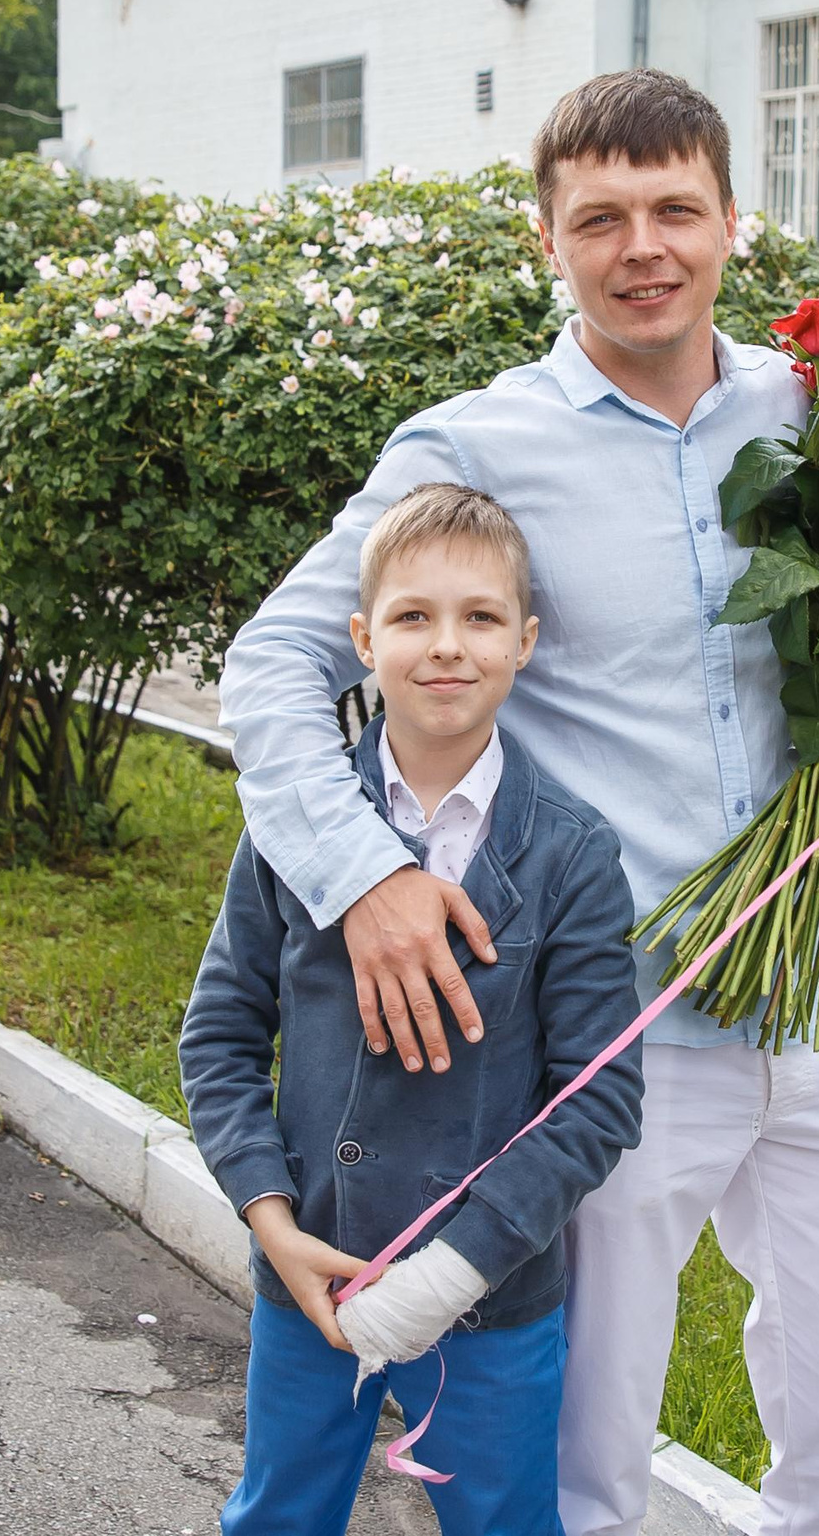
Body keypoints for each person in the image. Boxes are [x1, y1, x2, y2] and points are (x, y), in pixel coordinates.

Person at [218, 68, 819, 1536]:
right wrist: (366, 875)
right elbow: (275, 661)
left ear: (732, 220)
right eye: (600, 217)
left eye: (675, 209)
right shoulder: (474, 446)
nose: (643, 247)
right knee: (582, 1471)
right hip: (614, 1040)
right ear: (548, 239)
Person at [182, 481, 646, 1536]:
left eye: (480, 617)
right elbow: (218, 1036)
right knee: (278, 1519)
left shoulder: (573, 852)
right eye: (411, 616)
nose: (446, 646)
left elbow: (598, 1096)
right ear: (361, 640)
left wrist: (454, 1270)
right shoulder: (293, 830)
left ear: (524, 641)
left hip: (490, 1300)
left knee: (504, 1523)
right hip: (312, 1276)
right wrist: (272, 1222)